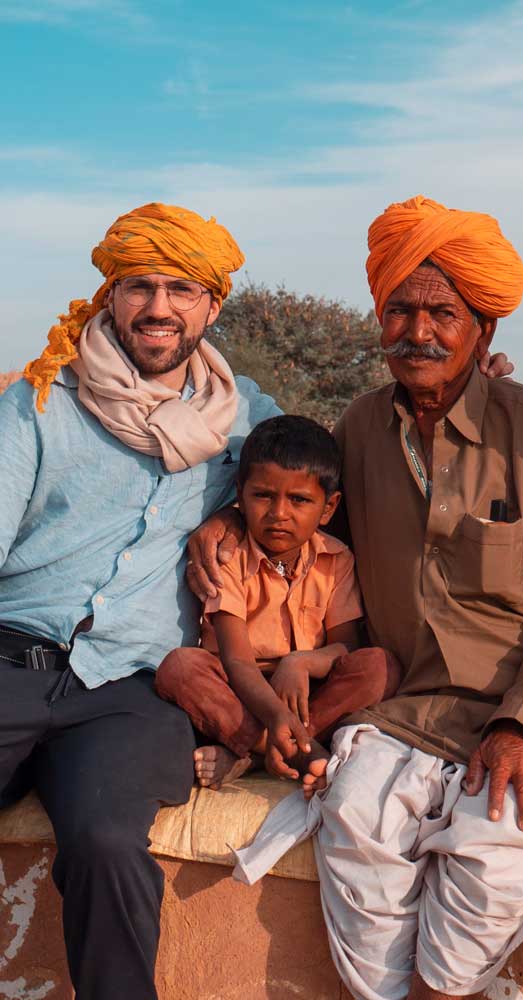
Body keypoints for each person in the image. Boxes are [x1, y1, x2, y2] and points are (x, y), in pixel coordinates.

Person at [201, 195, 523, 1000]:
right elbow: (309, 538)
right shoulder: (359, 429)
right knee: (355, 830)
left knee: (494, 866)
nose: (418, 332)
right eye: (399, 309)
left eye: (442, 313)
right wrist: (222, 543)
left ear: (483, 332)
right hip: (399, 713)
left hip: (521, 711)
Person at [0, 202, 283, 1000]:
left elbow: (321, 486)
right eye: (140, 287)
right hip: (12, 657)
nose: (160, 308)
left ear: (211, 306)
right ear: (110, 296)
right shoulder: (37, 403)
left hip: (134, 686)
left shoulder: (246, 417)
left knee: (106, 843)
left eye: (181, 290)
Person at [156, 414, 402, 789]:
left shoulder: (336, 559)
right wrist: (273, 716)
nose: (278, 514)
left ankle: (251, 755)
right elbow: (236, 660)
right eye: (263, 496)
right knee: (179, 668)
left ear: (329, 507)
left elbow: (347, 645)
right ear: (240, 495)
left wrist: (301, 662)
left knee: (379, 665)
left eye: (299, 500)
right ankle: (298, 752)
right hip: (238, 690)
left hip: (306, 697)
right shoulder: (229, 555)